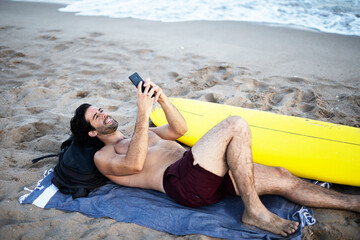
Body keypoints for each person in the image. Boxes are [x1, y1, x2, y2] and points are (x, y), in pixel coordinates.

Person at [70, 79, 360, 237]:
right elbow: (134, 164)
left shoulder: (141, 134)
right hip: (182, 183)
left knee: (283, 176)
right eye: (97, 116)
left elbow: (180, 129)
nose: (105, 114)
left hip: (206, 171)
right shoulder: (105, 156)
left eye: (101, 109)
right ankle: (254, 211)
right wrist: (142, 111)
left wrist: (162, 99)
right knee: (235, 124)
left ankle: (353, 203)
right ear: (92, 133)